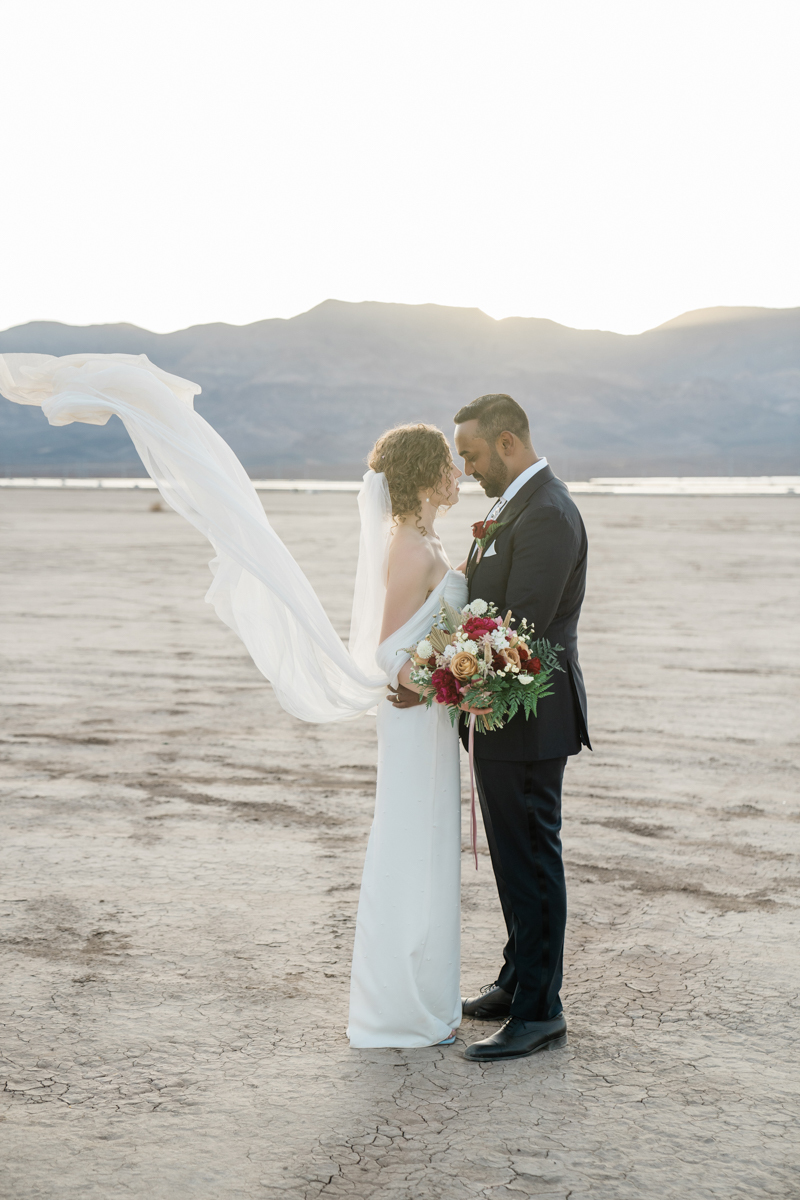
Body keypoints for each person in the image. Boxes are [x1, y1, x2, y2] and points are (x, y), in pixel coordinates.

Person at [391, 393, 590, 1061]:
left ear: (509, 443)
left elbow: (515, 631)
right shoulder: (516, 508)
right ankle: (515, 979)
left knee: (532, 859)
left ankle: (541, 1012)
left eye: (472, 453)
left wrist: (432, 681)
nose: (467, 466)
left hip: (531, 716)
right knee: (513, 856)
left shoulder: (550, 516)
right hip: (502, 714)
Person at [347, 424, 468, 1047]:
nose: (457, 474)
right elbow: (389, 649)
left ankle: (428, 998)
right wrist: (446, 684)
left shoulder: (425, 539)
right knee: (409, 847)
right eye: (447, 465)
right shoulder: (411, 549)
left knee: (431, 846)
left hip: (432, 717)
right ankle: (396, 1011)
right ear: (424, 476)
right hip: (417, 716)